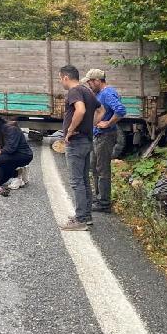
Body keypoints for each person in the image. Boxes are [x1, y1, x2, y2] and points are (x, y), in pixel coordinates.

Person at [58, 64, 100, 231]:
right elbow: (101, 110)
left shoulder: (74, 91)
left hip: (76, 142)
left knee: (76, 182)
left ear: (65, 77)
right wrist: (90, 127)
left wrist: (70, 130)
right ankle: (86, 216)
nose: (60, 81)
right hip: (86, 140)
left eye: (60, 78)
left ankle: (80, 219)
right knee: (83, 180)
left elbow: (80, 110)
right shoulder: (87, 91)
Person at [83, 69, 127, 214]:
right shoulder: (100, 93)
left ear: (97, 80)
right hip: (98, 136)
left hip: (106, 136)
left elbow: (120, 110)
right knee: (94, 167)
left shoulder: (108, 93)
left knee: (102, 169)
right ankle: (99, 197)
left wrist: (108, 123)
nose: (89, 85)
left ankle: (104, 203)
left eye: (90, 82)